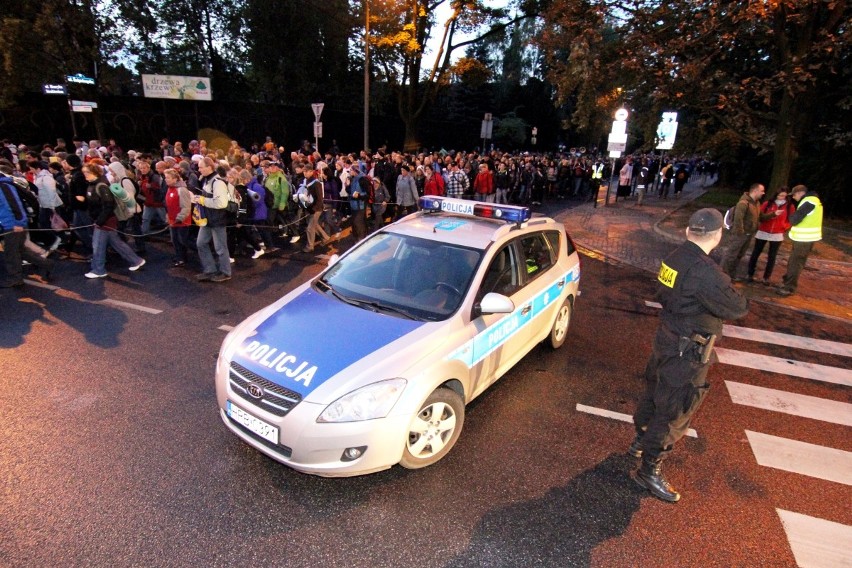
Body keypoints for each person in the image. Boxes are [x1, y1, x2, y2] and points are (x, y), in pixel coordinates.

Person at [631, 208, 748, 502]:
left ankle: (640, 439)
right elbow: (737, 307)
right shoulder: (707, 273)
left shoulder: (673, 258)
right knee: (675, 408)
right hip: (688, 351)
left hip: (667, 338)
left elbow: (662, 292)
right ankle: (649, 469)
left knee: (655, 392)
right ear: (718, 235)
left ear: (687, 231)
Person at [81, 163, 145, 278]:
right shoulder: (94, 184)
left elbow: (109, 205)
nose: (84, 174)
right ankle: (136, 261)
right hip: (103, 219)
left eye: (86, 172)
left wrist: (100, 220)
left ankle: (98, 270)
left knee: (98, 245)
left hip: (105, 220)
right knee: (116, 243)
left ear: (94, 173)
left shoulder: (101, 186)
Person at [0, 173, 54, 287]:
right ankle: (47, 264)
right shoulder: (6, 184)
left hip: (12, 224)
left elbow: (14, 205)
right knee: (20, 250)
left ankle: (15, 279)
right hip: (12, 222)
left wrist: (18, 223)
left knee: (11, 252)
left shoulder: (4, 186)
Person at [778, 184, 822, 297]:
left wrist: (789, 217)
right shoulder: (813, 200)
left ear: (800, 193)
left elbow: (795, 219)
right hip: (806, 239)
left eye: (794, 195)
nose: (793, 197)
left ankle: (788, 287)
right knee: (797, 263)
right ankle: (787, 282)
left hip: (804, 239)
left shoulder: (809, 201)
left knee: (795, 263)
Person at [192, 157, 232, 282]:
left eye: (201, 167)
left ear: (209, 167)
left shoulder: (217, 182)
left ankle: (225, 272)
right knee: (201, 243)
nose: (199, 169)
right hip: (208, 219)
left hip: (217, 219)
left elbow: (221, 203)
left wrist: (202, 200)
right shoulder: (208, 181)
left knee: (220, 247)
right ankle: (210, 270)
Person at [746, 187, 792, 284]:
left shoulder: (789, 206)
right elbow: (760, 216)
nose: (781, 197)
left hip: (777, 234)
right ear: (776, 195)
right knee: (756, 253)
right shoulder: (768, 204)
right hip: (763, 231)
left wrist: (784, 227)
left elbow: (790, 220)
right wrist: (772, 214)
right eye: (780, 195)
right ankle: (749, 274)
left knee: (772, 256)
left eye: (784, 196)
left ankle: (766, 277)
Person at [722, 182, 764, 281]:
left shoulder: (756, 203)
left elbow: (761, 216)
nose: (763, 193)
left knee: (739, 255)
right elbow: (738, 219)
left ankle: (731, 275)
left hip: (748, 234)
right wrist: (740, 232)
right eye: (761, 191)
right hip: (740, 235)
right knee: (731, 255)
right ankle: (722, 277)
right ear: (755, 191)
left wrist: (774, 214)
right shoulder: (743, 203)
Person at [163, 168, 194, 267]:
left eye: (168, 178)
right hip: (173, 220)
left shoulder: (182, 190)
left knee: (182, 240)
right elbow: (169, 204)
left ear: (175, 179)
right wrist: (168, 216)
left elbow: (186, 207)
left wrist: (179, 218)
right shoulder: (170, 188)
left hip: (181, 220)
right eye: (165, 177)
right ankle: (179, 257)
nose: (165, 180)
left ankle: (184, 257)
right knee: (175, 240)